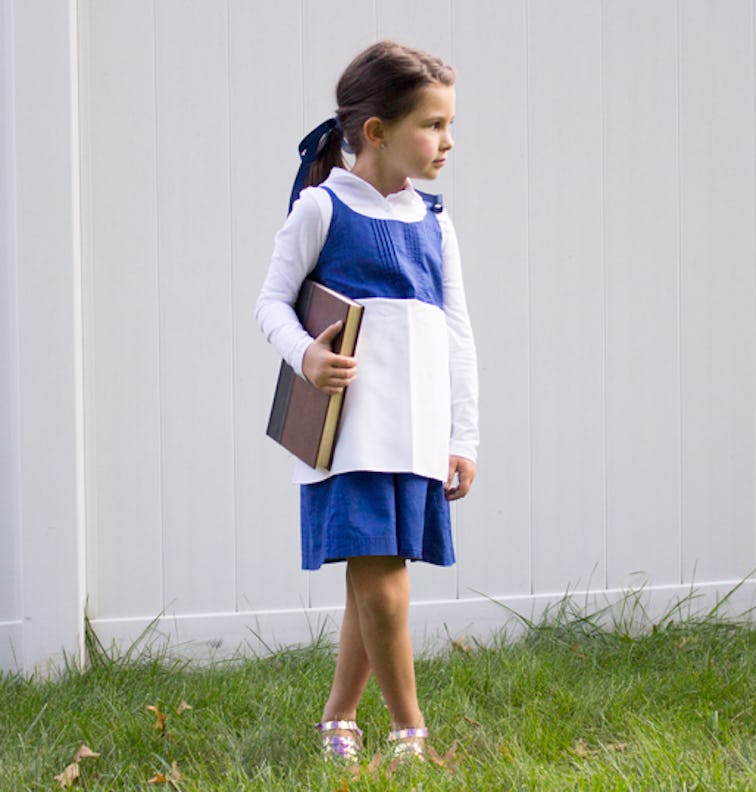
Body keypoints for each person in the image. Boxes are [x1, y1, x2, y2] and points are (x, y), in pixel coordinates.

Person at [255, 40, 479, 764]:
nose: (447, 141)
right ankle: (411, 732)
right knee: (383, 588)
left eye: (449, 125)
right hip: (348, 437)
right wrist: (308, 355)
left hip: (413, 433)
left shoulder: (435, 223)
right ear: (377, 131)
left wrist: (462, 437)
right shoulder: (323, 210)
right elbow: (270, 304)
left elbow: (456, 334)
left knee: (371, 583)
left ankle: (337, 719)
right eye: (433, 124)